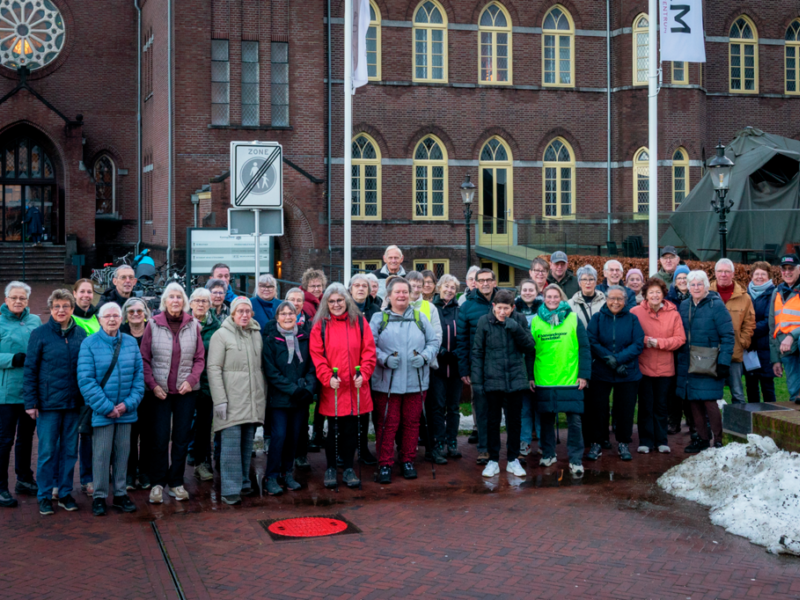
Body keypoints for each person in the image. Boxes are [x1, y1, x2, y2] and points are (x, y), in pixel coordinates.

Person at [77, 302, 144, 516]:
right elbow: (86, 380)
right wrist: (107, 408)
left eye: (116, 315)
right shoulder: (89, 344)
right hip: (102, 412)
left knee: (123, 454)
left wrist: (127, 405)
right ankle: (99, 496)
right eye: (108, 316)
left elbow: (138, 379)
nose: (112, 319)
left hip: (126, 412)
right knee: (101, 455)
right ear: (99, 319)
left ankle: (120, 494)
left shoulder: (131, 343)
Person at [24, 289, 87, 515]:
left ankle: (65, 493)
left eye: (66, 306)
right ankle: (44, 494)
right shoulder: (39, 334)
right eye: (57, 306)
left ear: (72, 309)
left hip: (72, 404)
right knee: (47, 451)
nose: (61, 310)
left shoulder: (80, 334)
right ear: (50, 309)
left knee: (70, 451)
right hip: (48, 405)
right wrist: (30, 403)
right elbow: (30, 370)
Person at [141, 282, 205, 504]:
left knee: (180, 439)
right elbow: (144, 359)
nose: (175, 300)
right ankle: (158, 482)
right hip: (160, 393)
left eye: (179, 297)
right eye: (171, 297)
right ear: (165, 301)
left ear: (184, 302)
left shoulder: (193, 325)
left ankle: (176, 482)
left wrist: (191, 380)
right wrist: (153, 385)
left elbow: (199, 359)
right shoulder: (153, 325)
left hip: (186, 392)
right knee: (159, 439)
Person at [369, 277, 437, 483]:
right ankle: (385, 463)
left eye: (405, 292)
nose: (401, 295)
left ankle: (407, 460)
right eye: (397, 292)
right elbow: (370, 346)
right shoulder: (379, 319)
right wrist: (384, 359)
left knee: (411, 423)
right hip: (386, 383)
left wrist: (425, 356)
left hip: (415, 382)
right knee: (387, 424)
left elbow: (434, 341)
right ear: (388, 296)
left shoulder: (419, 317)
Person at [311, 283, 377, 488]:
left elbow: (369, 351)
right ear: (326, 303)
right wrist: (327, 377)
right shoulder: (320, 325)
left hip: (356, 386)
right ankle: (331, 468)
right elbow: (317, 355)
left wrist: (364, 373)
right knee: (333, 431)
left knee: (352, 430)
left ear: (346, 301)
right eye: (331, 301)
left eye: (340, 300)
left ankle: (348, 468)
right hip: (334, 387)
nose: (336, 304)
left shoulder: (359, 322)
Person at [207, 297, 265, 504]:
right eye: (240, 311)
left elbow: (259, 368)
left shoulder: (256, 335)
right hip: (230, 400)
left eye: (248, 311)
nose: (244, 315)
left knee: (246, 443)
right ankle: (230, 489)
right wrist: (220, 400)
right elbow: (213, 369)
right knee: (230, 446)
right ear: (232, 313)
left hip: (251, 400)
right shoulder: (220, 335)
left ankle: (244, 482)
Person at [472, 289, 535, 478]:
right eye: (498, 308)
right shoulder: (485, 321)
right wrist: (477, 382)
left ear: (512, 308)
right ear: (493, 307)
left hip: (515, 380)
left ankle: (513, 459)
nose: (502, 312)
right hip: (492, 380)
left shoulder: (520, 320)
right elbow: (477, 352)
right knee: (492, 422)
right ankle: (493, 460)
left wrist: (515, 327)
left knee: (514, 422)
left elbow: (530, 345)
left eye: (506, 309)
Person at [531, 284, 591, 477]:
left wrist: (583, 374)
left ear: (561, 298)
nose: (552, 300)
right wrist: (530, 376)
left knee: (574, 422)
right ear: (543, 297)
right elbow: (530, 351)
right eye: (548, 296)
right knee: (546, 420)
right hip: (544, 378)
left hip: (570, 378)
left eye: (556, 296)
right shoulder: (535, 321)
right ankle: (548, 454)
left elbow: (584, 348)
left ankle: (575, 459)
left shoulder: (573, 318)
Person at [261, 301, 317, 495]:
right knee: (279, 437)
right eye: (283, 314)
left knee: (294, 437)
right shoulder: (270, 339)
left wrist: (308, 388)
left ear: (297, 316)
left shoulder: (304, 338)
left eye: (290, 313)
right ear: (277, 318)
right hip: (280, 398)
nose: (287, 317)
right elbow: (271, 372)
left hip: (300, 398)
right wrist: (293, 389)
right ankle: (271, 476)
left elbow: (312, 366)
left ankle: (287, 472)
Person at [676, 271, 735, 452]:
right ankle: (702, 439)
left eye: (699, 284)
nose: (695, 288)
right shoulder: (684, 305)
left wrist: (724, 362)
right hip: (688, 361)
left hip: (710, 361)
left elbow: (728, 335)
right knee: (694, 401)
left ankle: (718, 439)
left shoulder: (716, 306)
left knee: (710, 402)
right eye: (692, 284)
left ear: (706, 286)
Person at [586, 286, 644, 461]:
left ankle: (623, 443)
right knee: (598, 409)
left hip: (627, 372)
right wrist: (608, 359)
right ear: (606, 299)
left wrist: (618, 360)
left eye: (620, 299)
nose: (615, 302)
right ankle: (597, 442)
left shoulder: (633, 319)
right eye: (612, 298)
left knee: (625, 409)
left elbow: (638, 343)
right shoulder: (597, 318)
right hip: (601, 372)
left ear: (625, 301)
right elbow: (591, 341)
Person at [630, 278, 685, 455]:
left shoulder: (673, 314)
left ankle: (661, 441)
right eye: (651, 292)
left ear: (663, 294)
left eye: (658, 292)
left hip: (664, 369)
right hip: (642, 367)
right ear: (645, 294)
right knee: (646, 405)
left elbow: (680, 339)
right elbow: (630, 336)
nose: (655, 295)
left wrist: (659, 343)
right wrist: (646, 341)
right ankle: (645, 441)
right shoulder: (635, 312)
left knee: (661, 406)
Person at [0, 282, 41, 508]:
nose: (18, 301)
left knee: (26, 439)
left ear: (27, 300)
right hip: (5, 394)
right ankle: (1, 487)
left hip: (29, 391)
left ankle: (24, 479)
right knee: (4, 441)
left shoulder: (35, 321)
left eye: (22, 298)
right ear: (6, 300)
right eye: (14, 297)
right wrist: (11, 359)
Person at [456, 268, 498, 465]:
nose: (485, 284)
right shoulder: (467, 307)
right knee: (480, 408)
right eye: (481, 281)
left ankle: (495, 447)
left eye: (489, 280)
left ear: (495, 282)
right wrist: (464, 369)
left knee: (497, 409)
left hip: (500, 365)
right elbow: (461, 341)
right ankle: (483, 448)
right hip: (477, 366)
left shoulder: (504, 302)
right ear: (476, 283)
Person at [710, 258, 755, 405]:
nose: (723, 274)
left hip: (734, 352)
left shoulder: (744, 297)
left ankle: (739, 424)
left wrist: (743, 342)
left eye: (727, 271)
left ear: (733, 274)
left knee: (737, 391)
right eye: (720, 271)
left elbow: (749, 323)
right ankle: (712, 425)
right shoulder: (705, 294)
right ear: (715, 273)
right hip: (709, 353)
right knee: (711, 392)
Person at [120, 297, 154, 490]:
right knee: (129, 435)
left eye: (139, 311)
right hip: (127, 392)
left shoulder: (153, 332)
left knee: (148, 435)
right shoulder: (120, 334)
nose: (135, 314)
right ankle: (129, 473)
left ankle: (145, 472)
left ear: (145, 313)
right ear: (126, 315)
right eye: (131, 311)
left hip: (149, 391)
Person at [187, 288, 220, 482]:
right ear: (190, 303)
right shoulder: (183, 324)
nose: (200, 304)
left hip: (207, 384)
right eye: (197, 300)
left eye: (204, 301)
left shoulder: (216, 327)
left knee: (204, 426)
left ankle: (202, 462)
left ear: (209, 305)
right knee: (184, 426)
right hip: (185, 384)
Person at [430, 274, 463, 462]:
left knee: (453, 407)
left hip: (456, 367)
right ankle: (438, 443)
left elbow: (464, 333)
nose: (449, 290)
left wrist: (460, 351)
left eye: (453, 288)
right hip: (438, 366)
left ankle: (452, 442)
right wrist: (439, 350)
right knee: (438, 407)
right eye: (446, 286)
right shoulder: (432, 308)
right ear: (439, 287)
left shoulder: (459, 310)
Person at [348, 274, 380, 465]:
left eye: (364, 286)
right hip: (347, 366)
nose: (360, 289)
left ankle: (363, 448)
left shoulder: (375, 310)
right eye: (356, 286)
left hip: (369, 366)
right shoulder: (343, 308)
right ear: (350, 289)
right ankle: (347, 449)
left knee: (364, 411)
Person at [71, 278, 99, 495]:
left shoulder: (99, 317)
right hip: (75, 385)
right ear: (75, 294)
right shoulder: (68, 319)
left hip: (98, 385)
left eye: (89, 292)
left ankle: (93, 476)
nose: (86, 295)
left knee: (93, 434)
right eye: (82, 292)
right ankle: (78, 479)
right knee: (78, 434)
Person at [770, 253, 800, 404]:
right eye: (784, 269)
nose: (787, 272)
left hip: (796, 340)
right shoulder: (776, 292)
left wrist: (792, 335)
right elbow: (772, 327)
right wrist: (775, 359)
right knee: (795, 394)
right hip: (786, 348)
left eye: (791, 268)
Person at [745, 262, 777, 403]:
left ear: (769, 276)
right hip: (749, 349)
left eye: (763, 274)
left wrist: (747, 331)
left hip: (766, 348)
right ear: (752, 276)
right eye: (757, 274)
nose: (759, 277)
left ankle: (772, 419)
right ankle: (754, 420)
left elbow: (769, 321)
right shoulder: (745, 294)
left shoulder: (774, 294)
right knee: (751, 388)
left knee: (767, 388)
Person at [568, 265, 606, 329]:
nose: (588, 283)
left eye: (591, 279)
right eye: (584, 279)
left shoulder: (604, 302)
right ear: (579, 283)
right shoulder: (571, 304)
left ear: (595, 282)